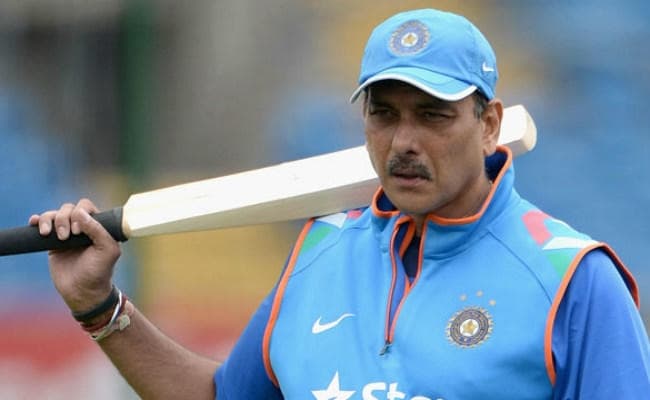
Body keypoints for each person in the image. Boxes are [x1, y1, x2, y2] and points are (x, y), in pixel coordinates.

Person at [30, 8, 649, 400]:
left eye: (433, 115)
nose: (403, 142)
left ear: (488, 124)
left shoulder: (573, 279)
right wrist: (98, 306)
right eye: (384, 114)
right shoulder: (320, 251)